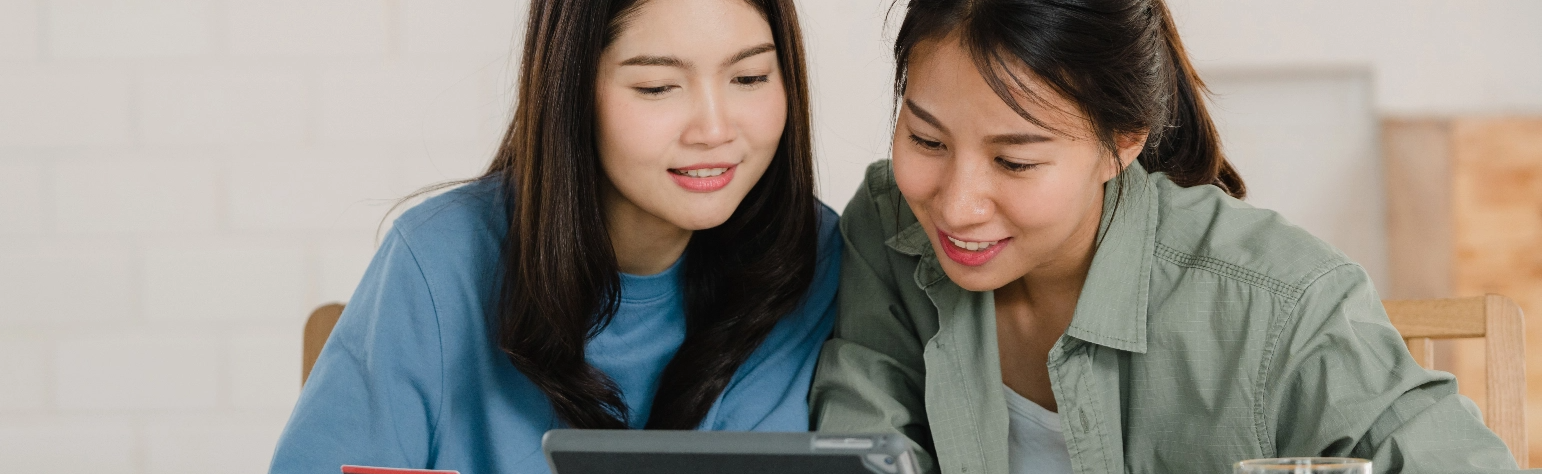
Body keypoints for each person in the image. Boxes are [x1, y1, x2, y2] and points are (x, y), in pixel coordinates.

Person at [811, 0, 1527, 473]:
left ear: (1122, 142)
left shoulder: (1278, 304)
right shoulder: (892, 222)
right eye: (926, 139)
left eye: (1015, 160)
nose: (958, 205)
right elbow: (857, 442)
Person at [270, 0, 839, 472]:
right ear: (571, 92)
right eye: (658, 87)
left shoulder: (814, 256)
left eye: (750, 78)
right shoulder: (439, 262)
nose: (715, 130)